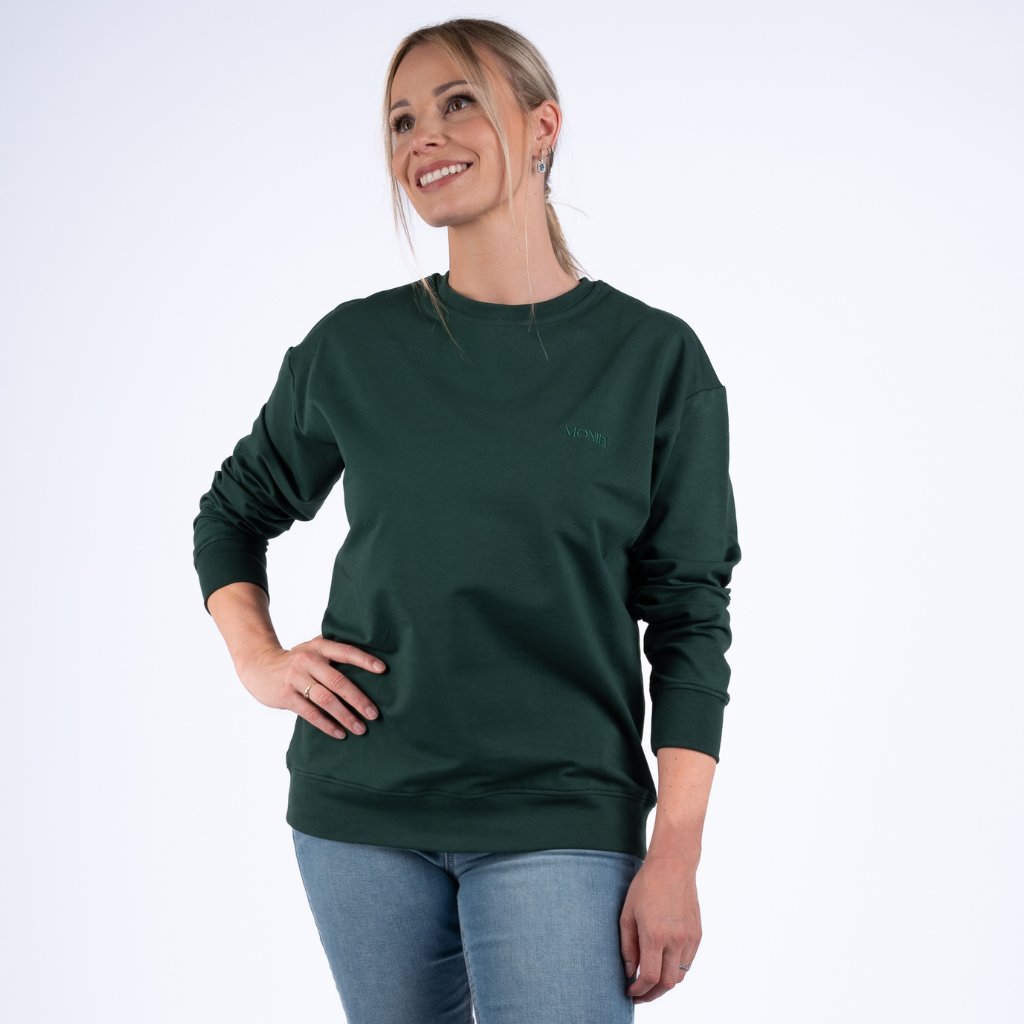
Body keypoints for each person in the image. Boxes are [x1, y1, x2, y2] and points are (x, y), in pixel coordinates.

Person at [192, 16, 741, 1024]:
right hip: (359, 811)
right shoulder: (354, 348)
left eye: (458, 104)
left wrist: (676, 850)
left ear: (542, 127)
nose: (423, 138)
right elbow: (232, 512)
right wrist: (257, 659)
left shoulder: (653, 359)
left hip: (561, 809)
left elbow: (689, 619)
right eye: (401, 120)